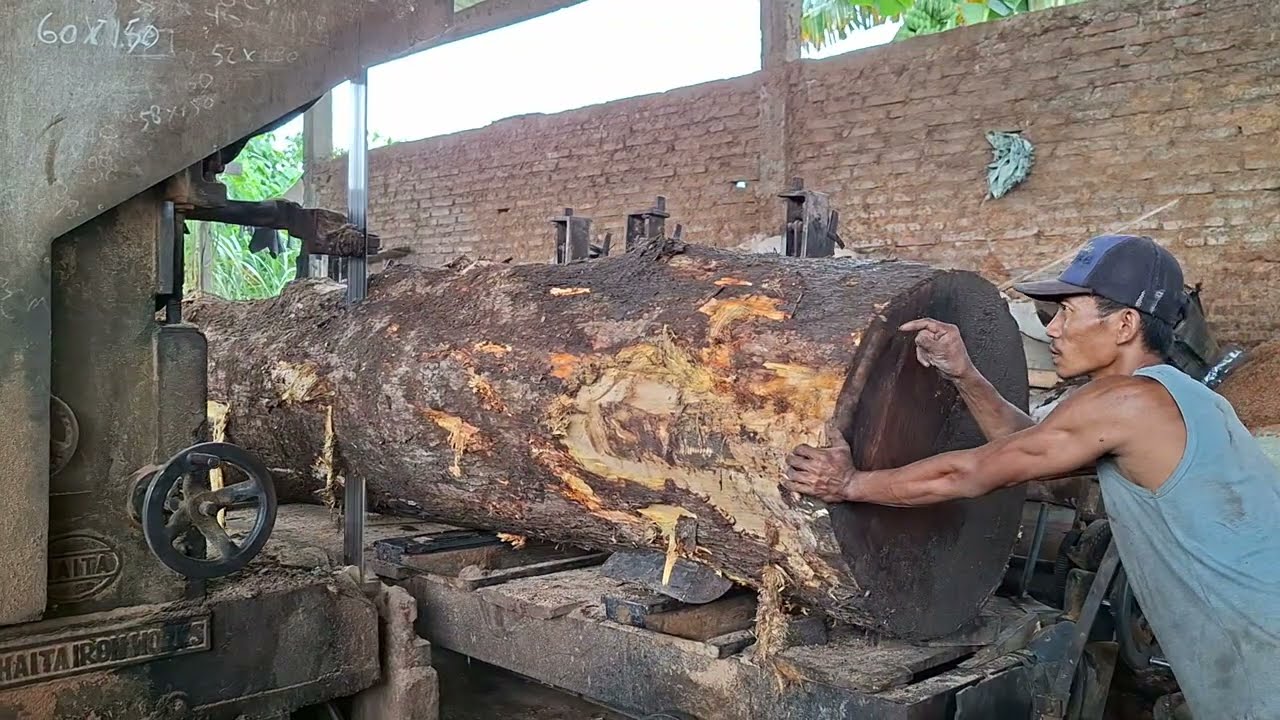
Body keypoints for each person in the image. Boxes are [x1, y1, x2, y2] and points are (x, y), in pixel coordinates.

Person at [782, 234, 1280, 719]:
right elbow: (1030, 445)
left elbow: (971, 471)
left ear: (1126, 324)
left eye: (1067, 312)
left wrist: (849, 485)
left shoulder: (1126, 401)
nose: (1052, 329)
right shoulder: (1186, 399)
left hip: (1261, 647)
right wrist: (963, 373)